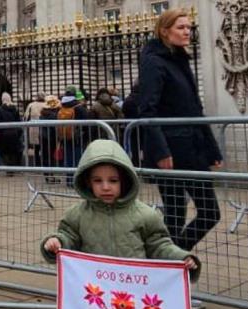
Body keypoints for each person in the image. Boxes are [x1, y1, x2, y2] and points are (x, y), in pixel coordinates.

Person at [40, 139, 201, 283]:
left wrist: (181, 258)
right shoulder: (77, 214)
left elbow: (159, 246)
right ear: (88, 182)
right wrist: (57, 242)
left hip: (134, 287)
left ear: (124, 180)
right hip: (94, 288)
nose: (105, 187)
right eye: (97, 181)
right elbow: (69, 238)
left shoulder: (145, 214)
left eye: (113, 180)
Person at [139, 8, 222, 252]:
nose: (188, 32)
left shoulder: (180, 60)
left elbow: (195, 109)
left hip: (193, 147)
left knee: (209, 212)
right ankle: (169, 262)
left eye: (189, 27)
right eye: (181, 27)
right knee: (175, 214)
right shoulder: (154, 62)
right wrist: (161, 151)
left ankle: (170, 257)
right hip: (172, 151)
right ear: (165, 32)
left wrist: (212, 148)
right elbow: (147, 110)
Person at [57, 87, 89, 186]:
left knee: (69, 159)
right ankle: (77, 181)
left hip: (65, 138)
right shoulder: (79, 108)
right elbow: (87, 123)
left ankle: (69, 180)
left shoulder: (62, 107)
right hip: (78, 137)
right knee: (78, 159)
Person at [0, 92, 22, 168]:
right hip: (14, 132)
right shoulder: (15, 109)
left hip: (3, 133)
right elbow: (19, 121)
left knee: (4, 151)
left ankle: (8, 166)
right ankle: (14, 166)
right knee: (13, 151)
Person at [40, 95, 61, 183]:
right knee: (50, 157)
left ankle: (47, 176)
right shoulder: (53, 115)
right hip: (51, 137)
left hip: (43, 136)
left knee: (45, 156)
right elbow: (55, 127)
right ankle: (50, 176)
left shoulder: (43, 113)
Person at [122, 81, 142, 167]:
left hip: (131, 127)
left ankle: (135, 164)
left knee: (134, 147)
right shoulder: (144, 99)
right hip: (144, 127)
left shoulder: (128, 100)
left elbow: (123, 110)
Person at [25, 92, 47, 166]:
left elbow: (26, 118)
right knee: (45, 148)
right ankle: (45, 164)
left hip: (34, 129)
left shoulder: (31, 105)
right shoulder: (46, 105)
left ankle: (37, 164)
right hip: (44, 130)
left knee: (36, 149)